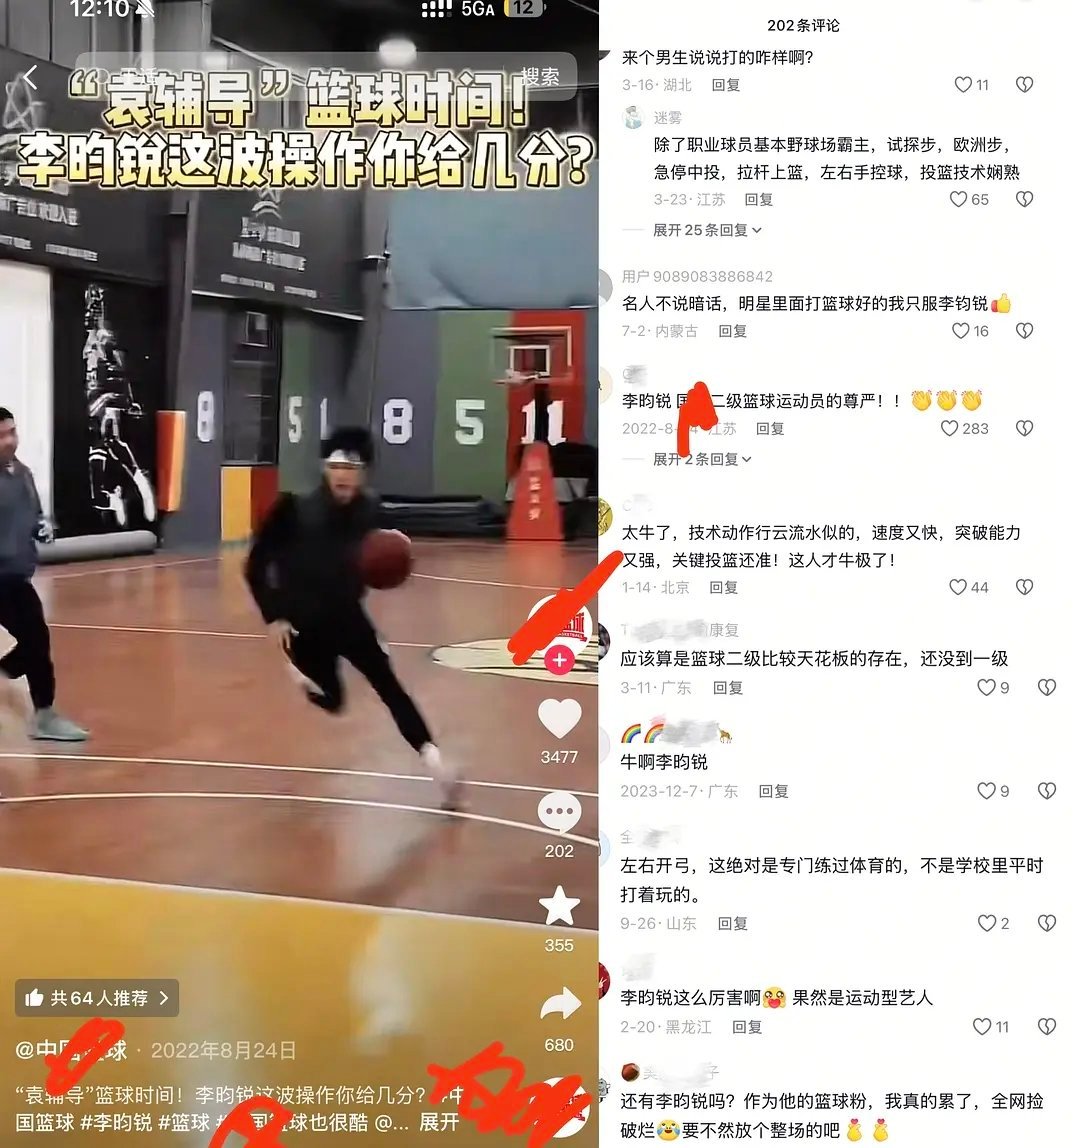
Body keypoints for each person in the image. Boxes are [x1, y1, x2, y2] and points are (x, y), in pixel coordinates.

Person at [244, 427, 460, 808]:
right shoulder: (293, 510)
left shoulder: (369, 510)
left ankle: (436, 763)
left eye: (352, 467)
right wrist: (274, 616)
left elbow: (376, 561)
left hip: (348, 618)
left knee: (390, 686)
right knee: (334, 701)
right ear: (325, 469)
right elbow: (255, 565)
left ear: (363, 473)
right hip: (304, 624)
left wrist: (393, 566)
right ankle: (301, 672)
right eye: (336, 466)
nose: (343, 474)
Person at [0, 408, 89, 740]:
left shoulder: (22, 473)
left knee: (37, 640)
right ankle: (42, 712)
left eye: (12, 432)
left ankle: (42, 714)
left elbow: (34, 514)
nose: (10, 440)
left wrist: (42, 527)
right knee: (35, 640)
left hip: (16, 575)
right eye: (1, 435)